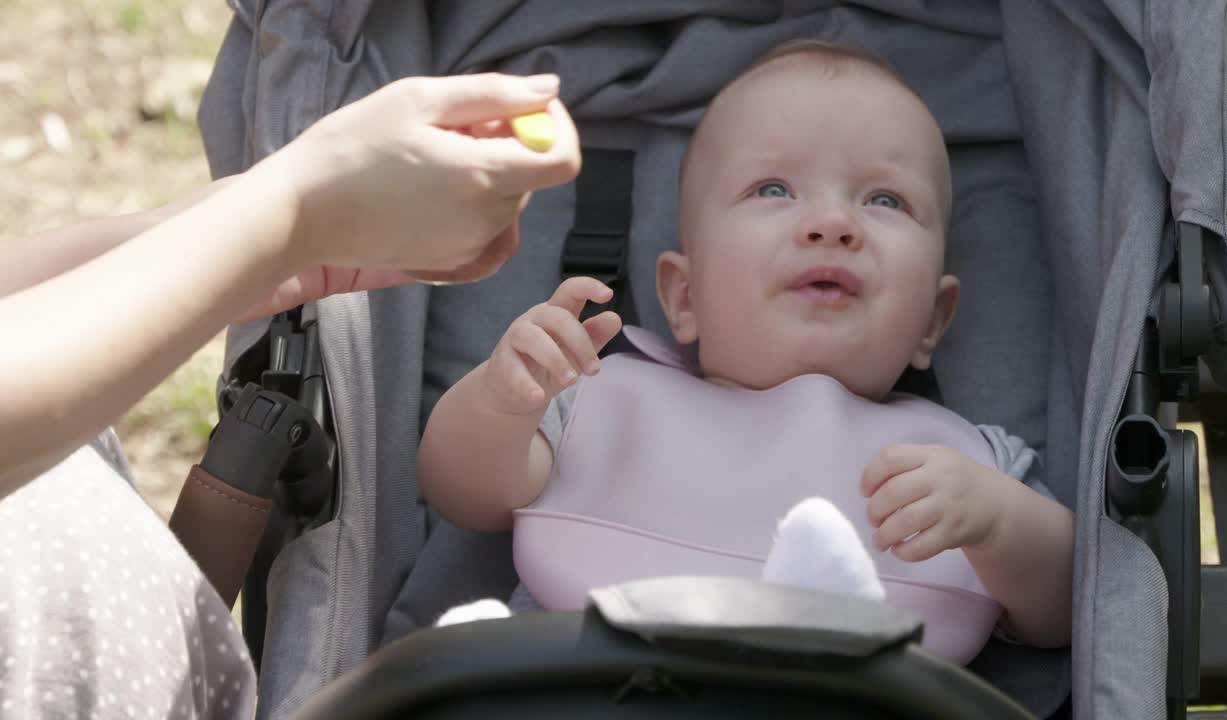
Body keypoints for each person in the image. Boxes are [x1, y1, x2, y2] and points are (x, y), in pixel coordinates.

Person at [418, 41, 1074, 659]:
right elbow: (461, 494)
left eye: (884, 199)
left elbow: (1069, 604)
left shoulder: (965, 468)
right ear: (684, 298)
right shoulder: (602, 394)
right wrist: (504, 403)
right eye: (773, 190)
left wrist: (996, 524)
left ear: (933, 319)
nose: (832, 225)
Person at [0, 72, 580, 717]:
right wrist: (289, 207)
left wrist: (208, 234)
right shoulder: (622, 391)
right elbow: (466, 488)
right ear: (679, 289)